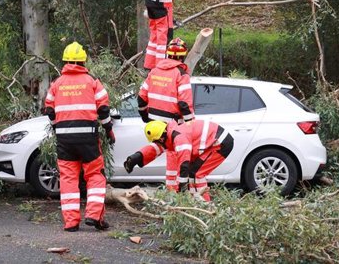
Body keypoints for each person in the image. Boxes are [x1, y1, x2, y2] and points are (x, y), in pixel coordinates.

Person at [43, 42, 114, 232]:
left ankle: (71, 222)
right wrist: (109, 130)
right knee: (95, 176)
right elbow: (104, 110)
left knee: (68, 179)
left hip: (65, 140)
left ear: (65, 62)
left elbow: (49, 110)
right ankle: (93, 215)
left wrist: (57, 128)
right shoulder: (92, 82)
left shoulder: (56, 84)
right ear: (83, 61)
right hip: (88, 139)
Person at [124, 120, 233, 201]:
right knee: (193, 173)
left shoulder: (179, 138)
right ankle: (196, 201)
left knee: (195, 174)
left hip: (220, 144)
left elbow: (184, 164)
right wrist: (137, 157)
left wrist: (182, 187)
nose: (158, 144)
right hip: (213, 143)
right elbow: (157, 147)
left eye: (157, 142)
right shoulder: (170, 133)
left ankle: (205, 205)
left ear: (161, 138)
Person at [136, 37, 194, 192]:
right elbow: (184, 103)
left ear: (167, 54)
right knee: (174, 156)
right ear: (183, 56)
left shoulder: (155, 71)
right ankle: (173, 192)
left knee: (159, 147)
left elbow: (141, 98)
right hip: (173, 123)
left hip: (155, 122)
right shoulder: (181, 74)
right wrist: (190, 124)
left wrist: (145, 117)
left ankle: (137, 158)